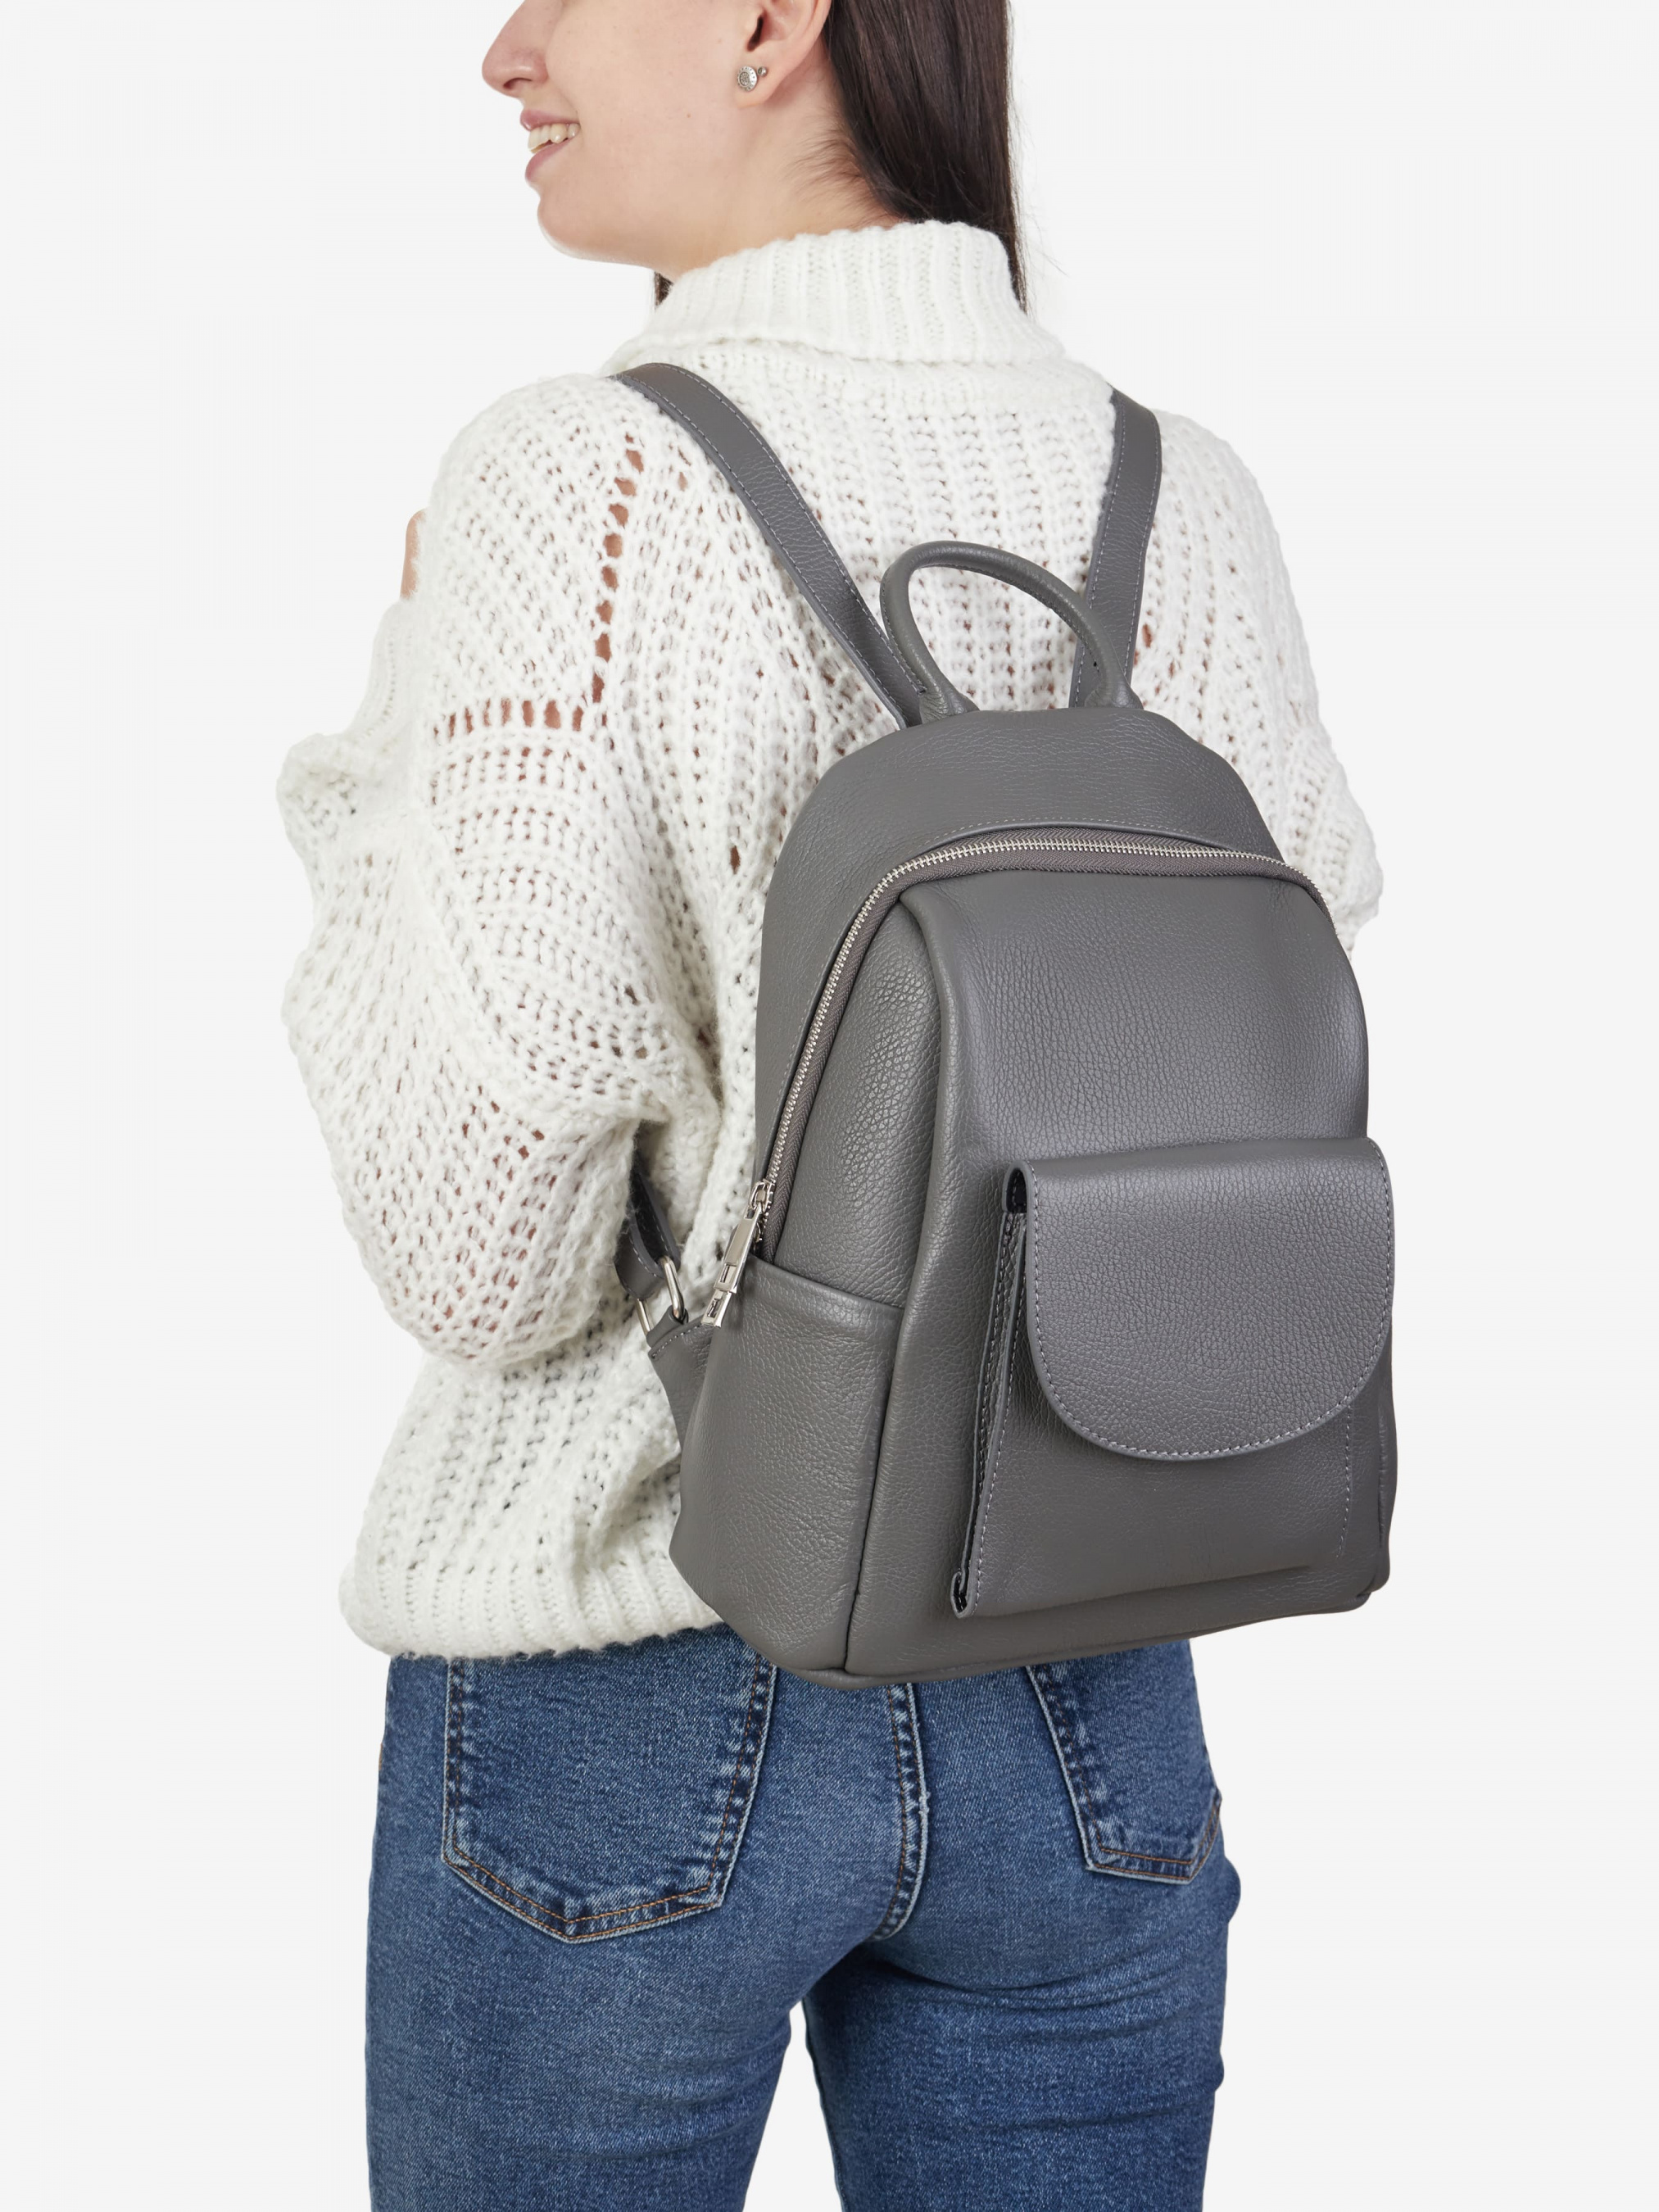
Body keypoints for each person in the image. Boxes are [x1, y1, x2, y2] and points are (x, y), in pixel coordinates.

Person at [279, 2, 1382, 2204]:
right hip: (1095, 1662)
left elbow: (486, 1262)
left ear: (771, 23)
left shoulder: (576, 484)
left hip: (627, 1672)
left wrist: (383, 760)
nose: (506, 49)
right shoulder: (1179, 489)